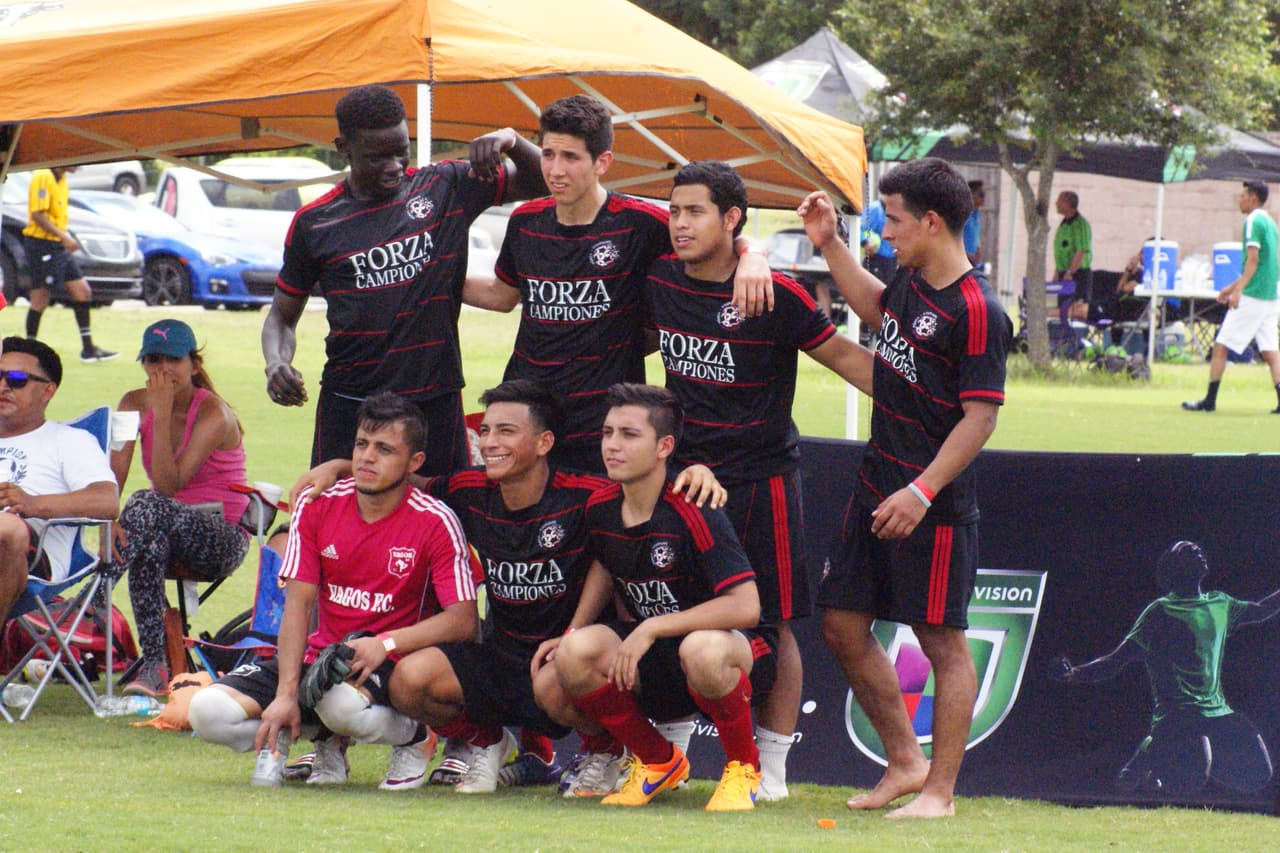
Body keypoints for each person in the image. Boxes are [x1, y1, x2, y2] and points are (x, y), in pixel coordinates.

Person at [289, 379, 725, 796]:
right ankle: (487, 743)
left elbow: (644, 489)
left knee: (561, 677)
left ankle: (605, 752)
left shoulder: (584, 495)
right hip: (501, 653)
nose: (490, 442)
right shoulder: (470, 490)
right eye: (485, 431)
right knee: (410, 679)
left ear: (544, 443)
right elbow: (403, 477)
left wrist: (697, 471)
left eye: (506, 431)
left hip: (566, 660)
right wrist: (342, 466)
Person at [643, 160, 873, 801]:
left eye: (694, 212)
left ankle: (770, 768)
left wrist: (930, 410)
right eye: (674, 211)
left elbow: (847, 358)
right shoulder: (659, 277)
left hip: (759, 481)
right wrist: (752, 250)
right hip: (681, 479)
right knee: (670, 611)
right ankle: (670, 756)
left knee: (774, 623)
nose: (680, 224)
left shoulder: (775, 295)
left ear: (731, 218)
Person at [798, 156, 1012, 819]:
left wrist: (921, 491)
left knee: (942, 643)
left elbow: (980, 419)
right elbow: (876, 307)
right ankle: (904, 762)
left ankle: (939, 793)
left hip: (933, 506)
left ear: (932, 221)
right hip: (875, 485)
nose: (885, 232)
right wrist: (829, 244)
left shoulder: (979, 311)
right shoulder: (911, 279)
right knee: (840, 624)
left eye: (892, 220)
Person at [462, 94, 773, 474]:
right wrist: (436, 277)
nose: (556, 170)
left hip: (603, 424)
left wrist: (752, 252)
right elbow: (502, 295)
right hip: (530, 416)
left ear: (603, 162)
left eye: (571, 157)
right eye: (548, 155)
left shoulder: (640, 224)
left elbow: (711, 242)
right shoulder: (525, 221)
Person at [187, 393, 478, 790]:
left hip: (387, 663)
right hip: (319, 657)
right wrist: (286, 694)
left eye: (384, 449)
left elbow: (463, 621)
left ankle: (415, 737)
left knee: (338, 704)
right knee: (207, 712)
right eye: (362, 444)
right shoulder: (317, 506)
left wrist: (385, 643)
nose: (367, 458)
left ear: (414, 463)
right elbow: (298, 605)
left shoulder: (436, 521)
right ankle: (324, 740)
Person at [262, 84, 546, 474]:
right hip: (352, 403)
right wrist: (276, 362)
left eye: (401, 151)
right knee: (341, 508)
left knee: (445, 506)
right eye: (378, 156)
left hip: (433, 400)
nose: (394, 165)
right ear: (343, 147)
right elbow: (281, 316)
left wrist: (511, 141)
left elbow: (546, 179)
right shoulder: (315, 223)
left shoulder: (446, 186)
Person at [553, 383, 776, 811]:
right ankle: (658, 761)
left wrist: (652, 626)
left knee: (702, 648)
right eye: (607, 433)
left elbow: (746, 607)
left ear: (664, 447)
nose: (612, 445)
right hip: (656, 656)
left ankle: (743, 768)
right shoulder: (600, 506)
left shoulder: (694, 504)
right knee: (574, 652)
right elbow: (605, 562)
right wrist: (573, 630)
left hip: (730, 651)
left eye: (629, 435)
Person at [1052, 541, 1280, 795]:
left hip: (1218, 712)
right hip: (1178, 716)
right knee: (1188, 784)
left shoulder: (1220, 603)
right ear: (1176, 569)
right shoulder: (1160, 611)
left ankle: (1164, 757)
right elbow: (1116, 661)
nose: (1198, 552)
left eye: (1198, 549)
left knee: (1258, 776)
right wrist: (1074, 674)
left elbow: (1263, 610)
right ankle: (1157, 749)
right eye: (1187, 551)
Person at [108, 319, 251, 697]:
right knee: (147, 534)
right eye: (153, 360)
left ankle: (97, 591)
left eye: (172, 360)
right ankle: (156, 664)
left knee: (146, 501)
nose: (162, 370)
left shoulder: (213, 413)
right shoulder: (129, 403)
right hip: (160, 526)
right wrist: (108, 517)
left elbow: (168, 485)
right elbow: (113, 471)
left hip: (221, 536)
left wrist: (159, 412)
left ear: (194, 364)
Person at [0, 337, 119, 619]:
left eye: (17, 379)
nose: (4, 386)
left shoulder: (69, 440)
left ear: (47, 391)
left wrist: (32, 503)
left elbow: (107, 501)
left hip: (30, 553)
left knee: (8, 528)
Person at [1182, 181, 1280, 413]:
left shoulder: (1252, 221)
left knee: (1221, 344)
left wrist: (1238, 291)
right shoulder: (1270, 222)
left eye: (1243, 195)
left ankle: (1209, 401)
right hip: (1271, 294)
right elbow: (1263, 264)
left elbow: (1253, 260)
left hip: (1254, 295)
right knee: (1270, 350)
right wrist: (1231, 287)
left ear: (1253, 198)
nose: (1239, 199)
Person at [20, 168, 117, 363]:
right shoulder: (43, 176)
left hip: (58, 245)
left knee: (83, 291)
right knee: (40, 299)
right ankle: (28, 350)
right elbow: (37, 215)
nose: (79, 166)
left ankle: (88, 349)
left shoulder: (62, 179)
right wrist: (64, 237)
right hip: (41, 245)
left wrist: (65, 236)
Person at [1053, 191, 1093, 322]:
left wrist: (1070, 272)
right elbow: (1061, 252)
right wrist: (1057, 274)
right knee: (1062, 310)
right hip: (1064, 274)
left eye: (1059, 201)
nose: (1056, 203)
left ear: (1068, 203)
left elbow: (1081, 251)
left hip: (1077, 275)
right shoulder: (1063, 224)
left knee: (1076, 311)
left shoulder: (1080, 225)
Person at [861, 198, 897, 284]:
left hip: (892, 260)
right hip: (876, 258)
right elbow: (858, 228)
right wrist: (865, 242)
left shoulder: (897, 210)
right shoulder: (875, 209)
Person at [963, 181, 984, 266]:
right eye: (981, 195)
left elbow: (975, 235)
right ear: (971, 196)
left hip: (973, 260)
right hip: (962, 259)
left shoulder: (977, 214)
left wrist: (978, 249)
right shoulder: (963, 214)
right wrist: (965, 254)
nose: (984, 198)